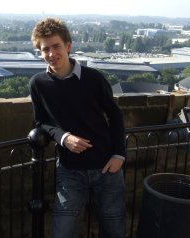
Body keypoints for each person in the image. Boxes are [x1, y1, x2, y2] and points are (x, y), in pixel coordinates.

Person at [29, 18, 127, 238]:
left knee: (114, 229)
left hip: (106, 166)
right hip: (70, 169)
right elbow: (41, 122)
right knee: (62, 231)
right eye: (45, 49)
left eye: (56, 46)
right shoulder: (38, 84)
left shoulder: (93, 78)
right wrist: (63, 137)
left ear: (68, 46)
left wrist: (119, 155)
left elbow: (115, 115)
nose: (52, 54)